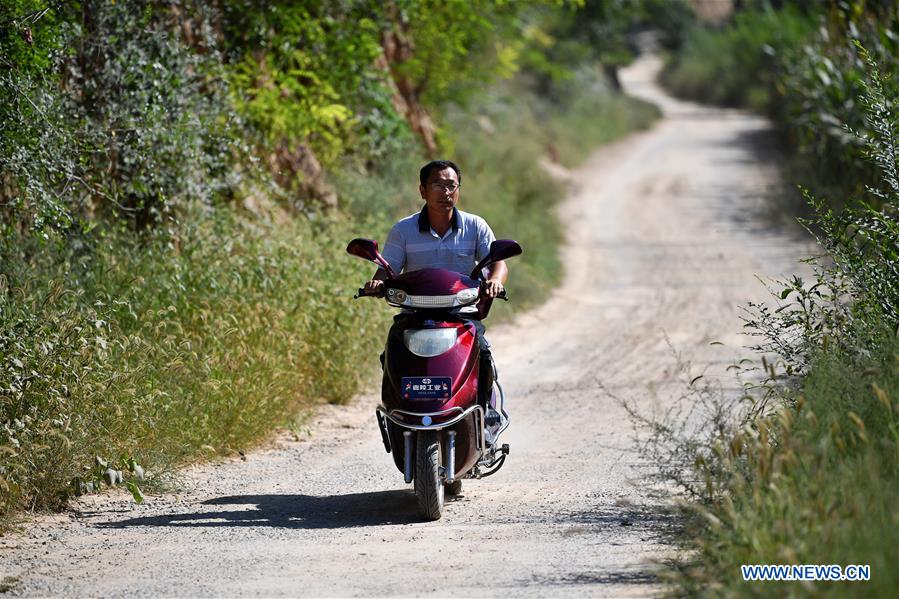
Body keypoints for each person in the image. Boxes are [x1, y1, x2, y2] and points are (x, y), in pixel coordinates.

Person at [364, 159, 508, 432]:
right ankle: (395, 410)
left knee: (484, 354)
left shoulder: (476, 226)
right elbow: (387, 268)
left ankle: (487, 414)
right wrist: (376, 283)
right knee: (392, 353)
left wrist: (495, 282)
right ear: (422, 190)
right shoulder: (403, 230)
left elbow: (498, 262)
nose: (446, 192)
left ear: (459, 190)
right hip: (414, 315)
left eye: (451, 185)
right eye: (438, 185)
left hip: (461, 314)